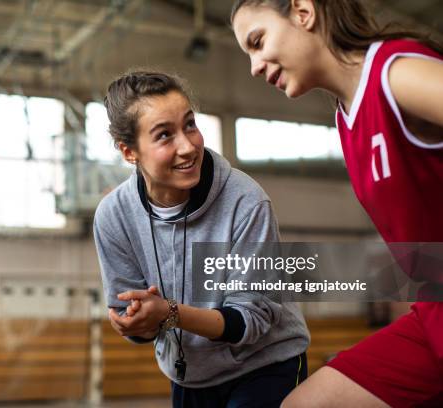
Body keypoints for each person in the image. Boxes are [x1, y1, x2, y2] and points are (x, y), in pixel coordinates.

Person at [230, 0, 443, 406]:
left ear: (303, 12)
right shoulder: (347, 120)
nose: (254, 66)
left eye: (258, 42)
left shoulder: (396, 73)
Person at [94, 71, 309, 407]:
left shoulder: (246, 201)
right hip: (190, 375)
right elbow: (136, 320)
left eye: (190, 125)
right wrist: (137, 323)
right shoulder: (113, 216)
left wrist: (169, 314)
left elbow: (249, 320)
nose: (188, 145)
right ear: (129, 152)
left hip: (266, 364)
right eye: (165, 135)